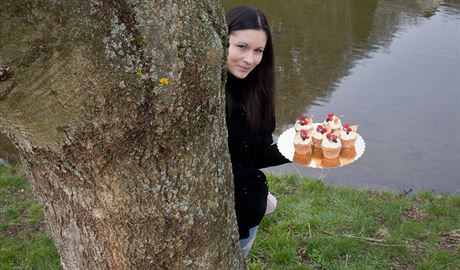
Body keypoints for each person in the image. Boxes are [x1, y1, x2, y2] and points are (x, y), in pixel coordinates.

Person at [225, 6, 290, 257]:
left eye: (258, 51)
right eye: (241, 46)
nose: (249, 59)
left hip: (248, 208)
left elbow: (258, 154)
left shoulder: (259, 92)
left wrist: (301, 149)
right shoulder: (205, 93)